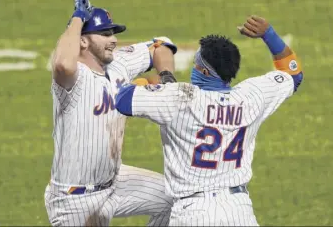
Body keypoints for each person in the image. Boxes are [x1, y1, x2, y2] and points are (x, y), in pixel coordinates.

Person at [115, 15, 304, 226]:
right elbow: (293, 74)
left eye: (196, 63)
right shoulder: (253, 96)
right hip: (239, 210)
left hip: (194, 214)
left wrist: (153, 81)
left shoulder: (179, 98)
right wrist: (269, 34)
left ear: (204, 71)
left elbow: (122, 99)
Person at [44, 0, 178, 226]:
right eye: (105, 34)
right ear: (83, 42)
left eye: (113, 33)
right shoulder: (73, 80)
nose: (114, 40)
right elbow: (62, 64)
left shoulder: (119, 64)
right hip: (75, 200)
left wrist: (167, 78)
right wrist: (77, 19)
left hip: (116, 183)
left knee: (174, 199)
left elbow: (161, 45)